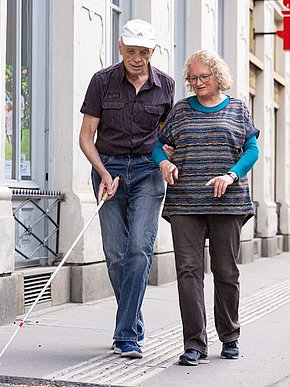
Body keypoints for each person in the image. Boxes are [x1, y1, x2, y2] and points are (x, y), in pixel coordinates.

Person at [152, 50, 259, 366]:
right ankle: (194, 344)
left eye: (203, 77)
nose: (197, 82)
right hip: (185, 201)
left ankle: (230, 336)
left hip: (228, 203)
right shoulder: (181, 112)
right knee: (188, 272)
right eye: (193, 78)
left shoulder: (238, 109)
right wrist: (164, 164)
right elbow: (159, 145)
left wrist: (231, 174)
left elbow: (252, 149)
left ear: (218, 77)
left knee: (226, 271)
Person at [79, 19, 175, 359]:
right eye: (131, 51)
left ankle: (126, 335)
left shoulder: (166, 86)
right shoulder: (102, 82)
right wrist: (103, 172)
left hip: (148, 172)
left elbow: (166, 138)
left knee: (139, 249)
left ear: (153, 52)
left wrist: (166, 159)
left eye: (144, 52)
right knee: (116, 252)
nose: (137, 58)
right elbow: (85, 137)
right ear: (121, 49)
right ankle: (132, 324)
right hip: (109, 169)